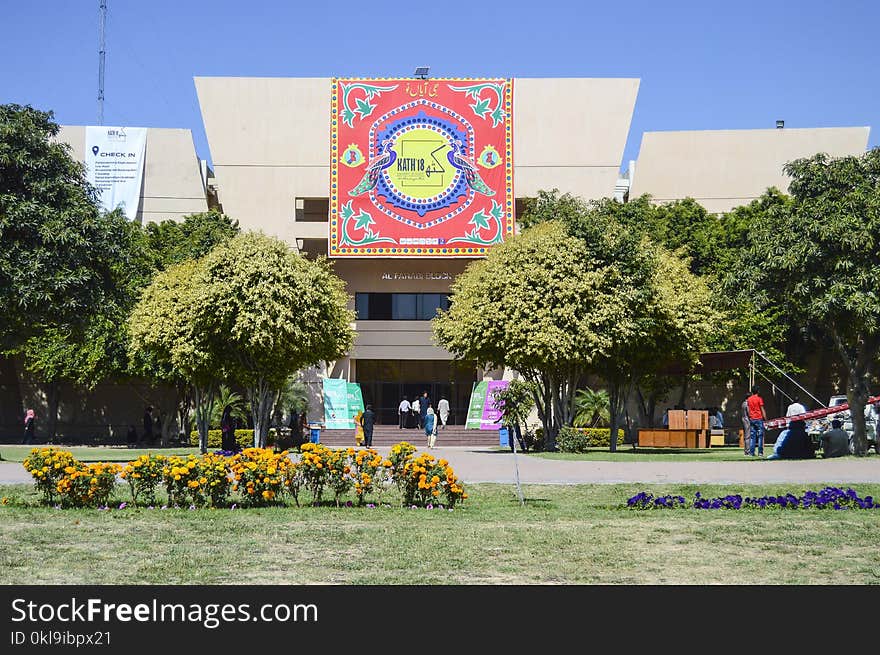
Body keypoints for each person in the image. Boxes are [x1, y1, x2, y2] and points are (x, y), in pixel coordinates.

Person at [746, 386, 767, 457]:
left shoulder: (749, 399)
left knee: (752, 436)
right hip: (759, 418)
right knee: (760, 436)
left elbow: (748, 410)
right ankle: (760, 452)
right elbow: (762, 409)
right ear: (758, 391)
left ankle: (751, 452)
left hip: (752, 419)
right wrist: (765, 418)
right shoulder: (759, 399)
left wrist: (750, 417)